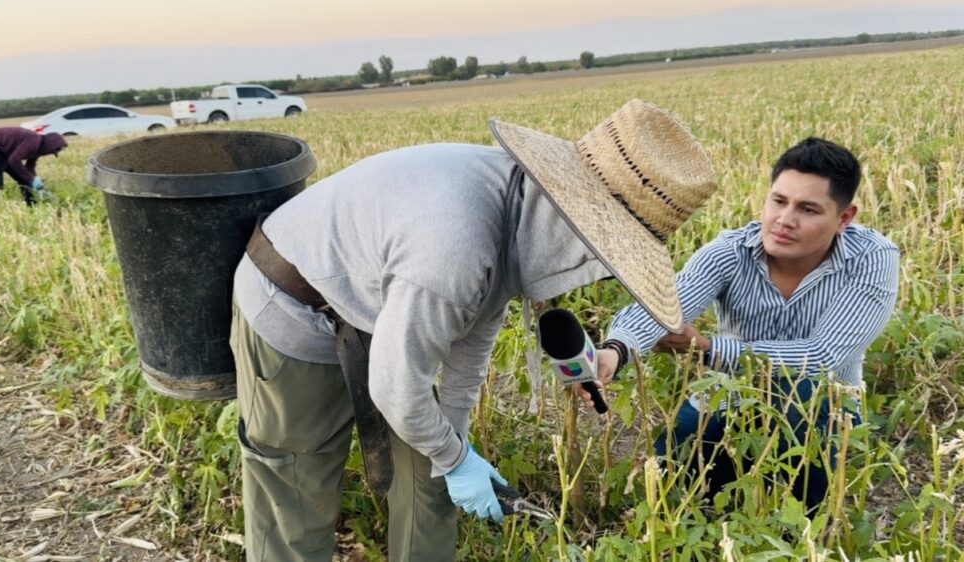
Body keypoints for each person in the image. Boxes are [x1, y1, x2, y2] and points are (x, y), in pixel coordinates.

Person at [229, 99, 717, 561]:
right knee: (299, 486)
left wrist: (454, 445)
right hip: (293, 297)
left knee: (430, 476)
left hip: (382, 295)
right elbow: (397, 389)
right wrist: (456, 459)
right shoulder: (454, 248)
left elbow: (475, 331)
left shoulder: (519, 210)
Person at [582, 137, 899, 512]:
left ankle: (805, 519)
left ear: (844, 218)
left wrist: (709, 349)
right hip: (728, 395)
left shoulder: (871, 258)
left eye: (808, 209)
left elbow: (821, 358)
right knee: (668, 474)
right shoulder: (731, 251)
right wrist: (616, 350)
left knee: (803, 419)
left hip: (823, 407)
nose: (785, 219)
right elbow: (664, 306)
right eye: (779, 201)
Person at [0, 127, 67, 204]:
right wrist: (32, 179)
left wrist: (37, 184)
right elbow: (14, 160)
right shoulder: (33, 140)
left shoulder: (38, 148)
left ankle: (31, 205)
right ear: (49, 145)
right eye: (52, 151)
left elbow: (29, 167)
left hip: (4, 152)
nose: (50, 153)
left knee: (25, 179)